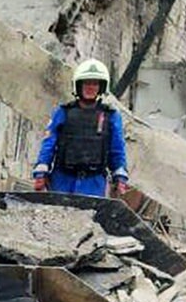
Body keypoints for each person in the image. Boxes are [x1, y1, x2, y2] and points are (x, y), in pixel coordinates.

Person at [33, 58, 129, 198]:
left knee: (88, 218)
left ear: (101, 87)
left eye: (95, 83)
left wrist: (120, 177)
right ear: (78, 86)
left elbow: (117, 150)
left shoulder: (111, 116)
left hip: (94, 183)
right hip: (62, 180)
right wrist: (41, 171)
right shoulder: (63, 112)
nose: (90, 87)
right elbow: (49, 144)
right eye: (87, 83)